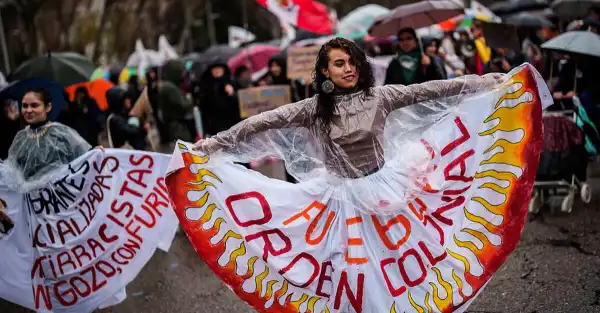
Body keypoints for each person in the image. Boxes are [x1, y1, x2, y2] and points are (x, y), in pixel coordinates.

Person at [193, 38, 503, 179]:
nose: (348, 68)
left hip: (383, 187)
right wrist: (215, 143)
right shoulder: (313, 108)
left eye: (352, 61)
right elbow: (261, 122)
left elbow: (432, 90)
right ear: (325, 71)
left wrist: (485, 82)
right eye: (339, 63)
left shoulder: (381, 96)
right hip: (339, 196)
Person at [6, 88, 92, 181]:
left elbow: (86, 157)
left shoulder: (62, 132)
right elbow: (12, 170)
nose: (29, 110)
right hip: (30, 194)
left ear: (48, 107)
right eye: (25, 106)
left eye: (34, 105)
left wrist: (98, 153)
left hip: (63, 193)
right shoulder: (20, 138)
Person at [198, 60, 242, 137]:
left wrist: (232, 93)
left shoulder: (232, 82)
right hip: (214, 125)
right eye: (214, 69)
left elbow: (242, 101)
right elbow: (203, 105)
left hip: (232, 123)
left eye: (219, 68)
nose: (217, 71)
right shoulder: (206, 85)